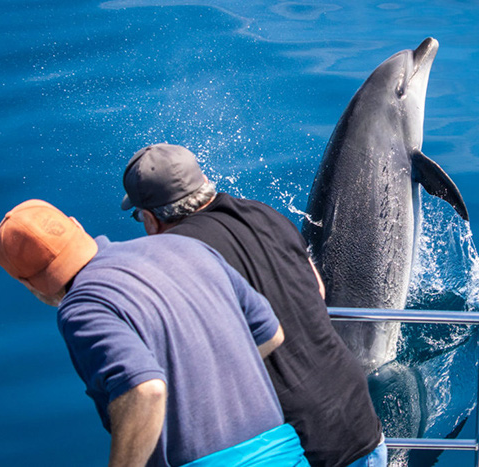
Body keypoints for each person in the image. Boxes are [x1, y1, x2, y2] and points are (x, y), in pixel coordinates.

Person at [120, 143, 386, 467]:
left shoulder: (177, 255)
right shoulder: (263, 213)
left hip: (297, 444)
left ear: (149, 219)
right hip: (359, 420)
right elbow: (317, 289)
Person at [0, 199, 310, 467]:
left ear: (26, 283)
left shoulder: (81, 307)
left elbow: (145, 390)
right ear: (77, 225)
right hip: (285, 452)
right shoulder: (183, 246)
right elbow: (270, 333)